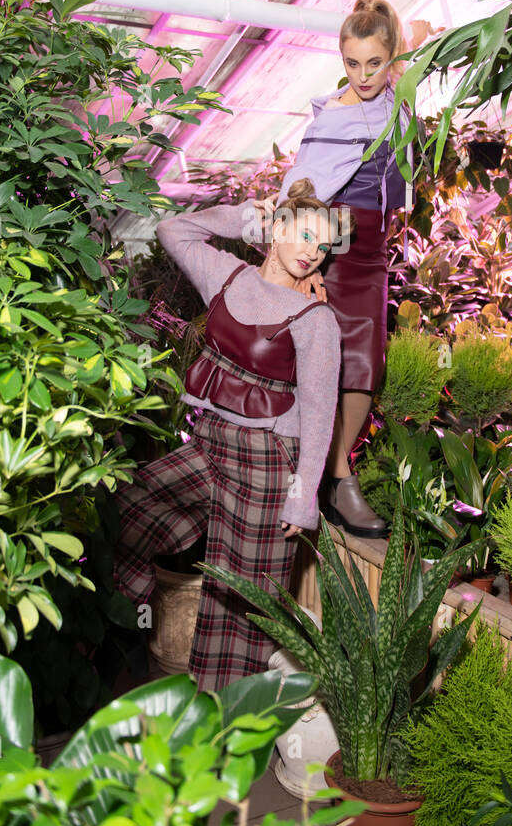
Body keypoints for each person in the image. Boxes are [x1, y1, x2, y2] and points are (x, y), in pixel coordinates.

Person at [113, 181, 350, 692]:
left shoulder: (317, 321)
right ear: (277, 229)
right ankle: (119, 615)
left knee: (239, 601)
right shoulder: (226, 275)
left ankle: (223, 729)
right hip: (209, 443)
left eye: (324, 246)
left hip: (267, 464)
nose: (313, 251)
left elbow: (319, 413)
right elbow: (172, 228)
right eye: (305, 234)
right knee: (131, 503)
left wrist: (302, 495)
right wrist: (245, 218)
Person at [269, 0, 433, 539]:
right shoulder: (334, 117)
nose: (362, 75)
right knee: (324, 364)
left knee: (366, 367)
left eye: (374, 63)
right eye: (352, 63)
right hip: (335, 248)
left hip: (373, 255)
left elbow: (429, 43)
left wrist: (406, 54)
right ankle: (339, 479)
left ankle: (328, 475)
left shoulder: (397, 99)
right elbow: (302, 189)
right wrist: (303, 260)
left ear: (391, 60)